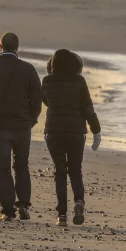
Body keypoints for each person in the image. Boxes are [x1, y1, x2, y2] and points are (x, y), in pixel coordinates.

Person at [0, 33, 42, 221]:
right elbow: (37, 98)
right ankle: (23, 205)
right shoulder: (28, 69)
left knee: (3, 168)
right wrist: (31, 120)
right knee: (22, 165)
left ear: (0, 46)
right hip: (22, 125)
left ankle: (7, 210)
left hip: (0, 126)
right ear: (17, 47)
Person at [43, 49, 101, 227]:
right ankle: (79, 202)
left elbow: (45, 100)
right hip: (76, 132)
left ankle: (62, 215)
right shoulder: (79, 81)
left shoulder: (47, 81)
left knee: (60, 172)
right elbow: (87, 107)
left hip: (53, 131)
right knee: (75, 170)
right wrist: (96, 131)